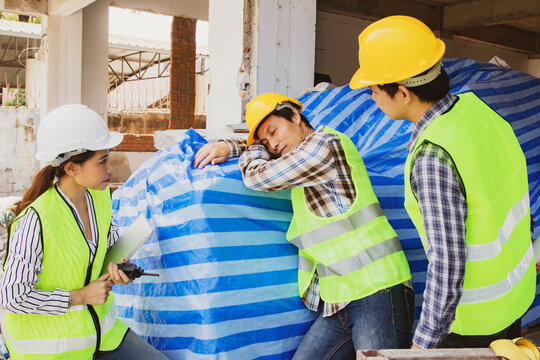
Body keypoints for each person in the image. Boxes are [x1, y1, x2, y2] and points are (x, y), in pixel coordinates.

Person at [349, 15, 535, 349]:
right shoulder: (480, 112)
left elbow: (448, 265)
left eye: (374, 88)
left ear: (402, 92)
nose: (372, 97)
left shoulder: (433, 157)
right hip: (515, 299)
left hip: (473, 323)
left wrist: (423, 345)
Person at [193, 93, 414, 358]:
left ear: (295, 116)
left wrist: (250, 147)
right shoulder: (299, 159)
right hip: (339, 300)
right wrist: (233, 146)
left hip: (377, 290)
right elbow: (272, 154)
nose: (273, 145)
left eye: (274, 131)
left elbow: (258, 176)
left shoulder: (325, 146)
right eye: (265, 141)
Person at [0, 105, 167, 360]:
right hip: (53, 350)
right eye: (102, 162)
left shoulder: (99, 198)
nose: (110, 169)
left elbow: (105, 250)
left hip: (103, 334)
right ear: (71, 168)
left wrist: (119, 268)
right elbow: (13, 297)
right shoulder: (35, 220)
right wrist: (80, 296)